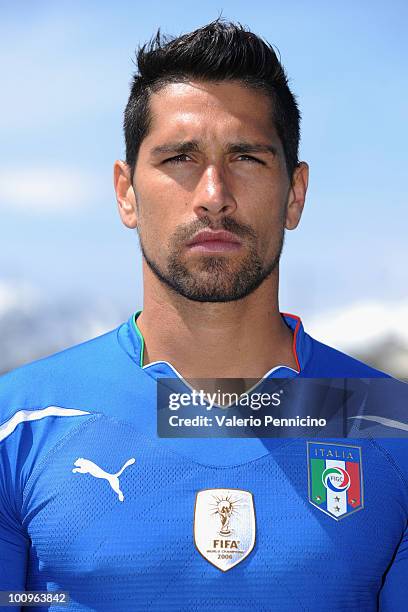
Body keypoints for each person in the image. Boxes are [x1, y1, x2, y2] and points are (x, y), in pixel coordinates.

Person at [0, 19, 407, 611]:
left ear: (295, 194)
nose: (213, 193)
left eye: (246, 157)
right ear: (126, 193)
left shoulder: (388, 426)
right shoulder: (19, 425)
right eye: (180, 158)